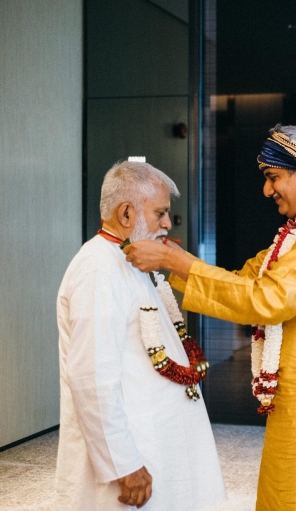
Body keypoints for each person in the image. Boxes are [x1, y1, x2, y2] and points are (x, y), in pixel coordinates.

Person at [123, 125, 296, 510]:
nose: (267, 190)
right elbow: (245, 283)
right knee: (292, 486)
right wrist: (174, 262)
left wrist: (172, 261)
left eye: (273, 177)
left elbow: (270, 299)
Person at [55, 161, 226, 510]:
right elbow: (90, 376)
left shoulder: (130, 262)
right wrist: (123, 463)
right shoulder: (98, 268)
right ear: (127, 212)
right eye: (161, 212)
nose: (167, 223)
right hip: (133, 455)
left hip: (157, 442)